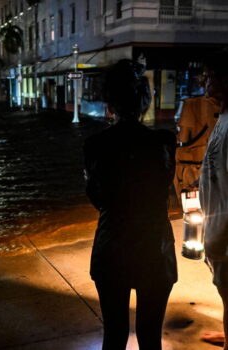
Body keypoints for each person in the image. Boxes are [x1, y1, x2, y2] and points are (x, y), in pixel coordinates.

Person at [83, 59, 177, 350]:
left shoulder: (94, 145)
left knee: (114, 335)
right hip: (155, 247)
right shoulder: (164, 141)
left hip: (112, 247)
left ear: (109, 102)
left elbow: (97, 198)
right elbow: (165, 190)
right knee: (150, 337)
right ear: (144, 101)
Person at [199, 48, 228, 348]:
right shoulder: (223, 119)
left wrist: (216, 241)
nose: (205, 84)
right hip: (219, 233)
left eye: (209, 77)